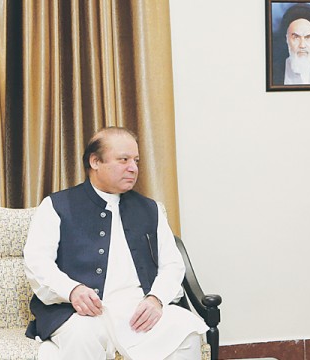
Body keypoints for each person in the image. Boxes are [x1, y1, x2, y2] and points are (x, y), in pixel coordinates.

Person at [24, 127, 208, 359]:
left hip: (136, 310)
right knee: (83, 335)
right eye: (123, 160)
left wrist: (156, 298)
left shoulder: (151, 209)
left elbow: (172, 264)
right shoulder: (56, 206)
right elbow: (37, 263)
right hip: (80, 312)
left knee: (184, 328)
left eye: (136, 160)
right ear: (95, 161)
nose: (133, 168)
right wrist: (72, 290)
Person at [272, 3, 310, 85]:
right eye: (296, 37)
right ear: (287, 39)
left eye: (308, 37)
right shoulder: (272, 72)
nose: (302, 45)